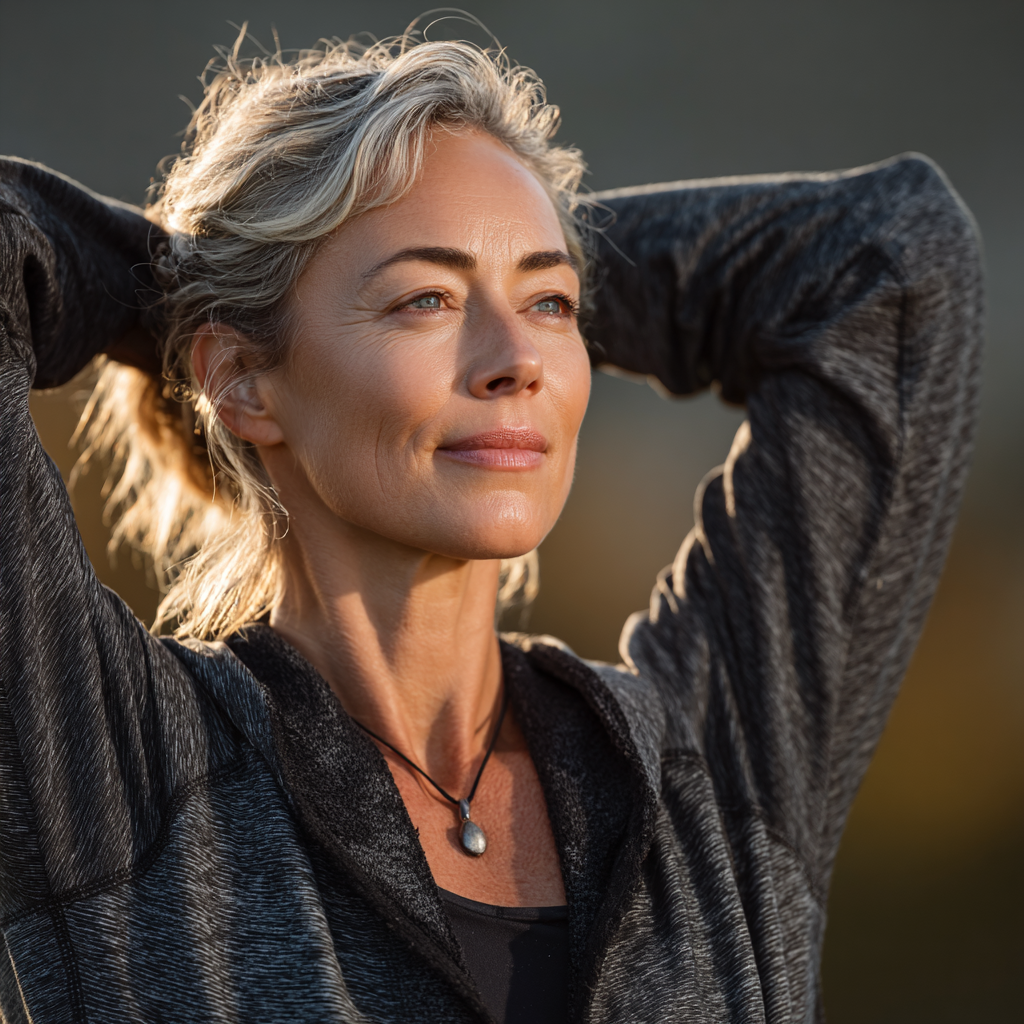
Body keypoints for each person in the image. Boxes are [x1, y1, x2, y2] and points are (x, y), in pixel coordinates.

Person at [0, 29, 982, 1024]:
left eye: (551, 302)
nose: (518, 359)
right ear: (241, 380)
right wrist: (189, 283)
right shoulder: (109, 769)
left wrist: (464, 244)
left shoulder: (704, 770)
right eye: (425, 298)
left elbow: (897, 261)